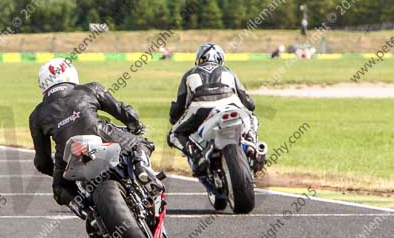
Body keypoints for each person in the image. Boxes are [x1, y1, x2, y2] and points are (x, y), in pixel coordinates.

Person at [29, 58, 163, 210]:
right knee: (142, 143)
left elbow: (42, 162)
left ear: (43, 84)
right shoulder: (90, 89)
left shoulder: (36, 115)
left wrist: (58, 172)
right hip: (103, 135)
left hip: (67, 155)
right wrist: (135, 125)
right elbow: (125, 113)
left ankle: (87, 212)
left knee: (60, 189)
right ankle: (140, 166)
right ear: (71, 74)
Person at [167, 43, 259, 175]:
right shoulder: (228, 71)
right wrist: (250, 105)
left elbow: (179, 106)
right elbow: (248, 102)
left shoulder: (190, 74)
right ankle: (251, 144)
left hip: (201, 110)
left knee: (173, 135)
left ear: (199, 58)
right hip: (231, 106)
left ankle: (197, 157)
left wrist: (174, 118)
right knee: (253, 118)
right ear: (220, 59)